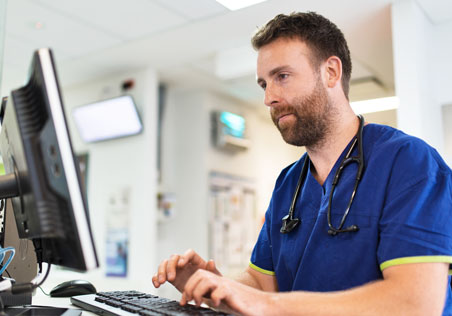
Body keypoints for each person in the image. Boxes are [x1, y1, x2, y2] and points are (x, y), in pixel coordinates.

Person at [152, 12, 452, 315]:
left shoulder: (409, 163)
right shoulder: (288, 183)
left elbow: (415, 303)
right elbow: (261, 281)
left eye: (282, 76)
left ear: (331, 72)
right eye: (263, 84)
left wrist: (266, 304)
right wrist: (216, 287)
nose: (269, 97)